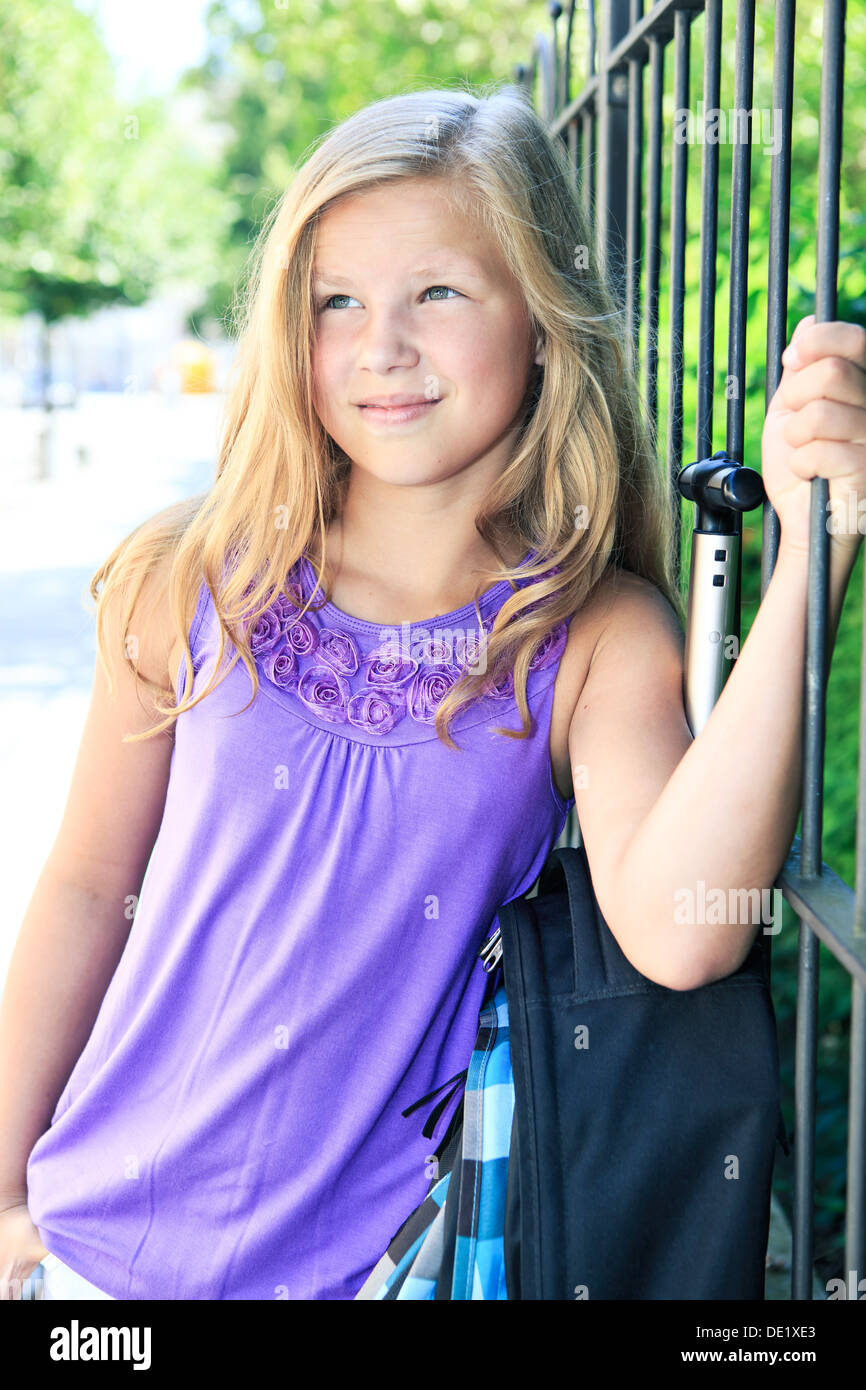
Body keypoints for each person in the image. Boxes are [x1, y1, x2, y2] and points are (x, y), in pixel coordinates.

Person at [2, 84, 864, 1302]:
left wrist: (815, 551)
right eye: (334, 302)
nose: (380, 346)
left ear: (542, 322)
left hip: (379, 1273)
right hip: (95, 1264)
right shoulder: (185, 577)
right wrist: (2, 1196)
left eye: (438, 294)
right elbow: (90, 887)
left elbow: (686, 927)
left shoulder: (591, 637)